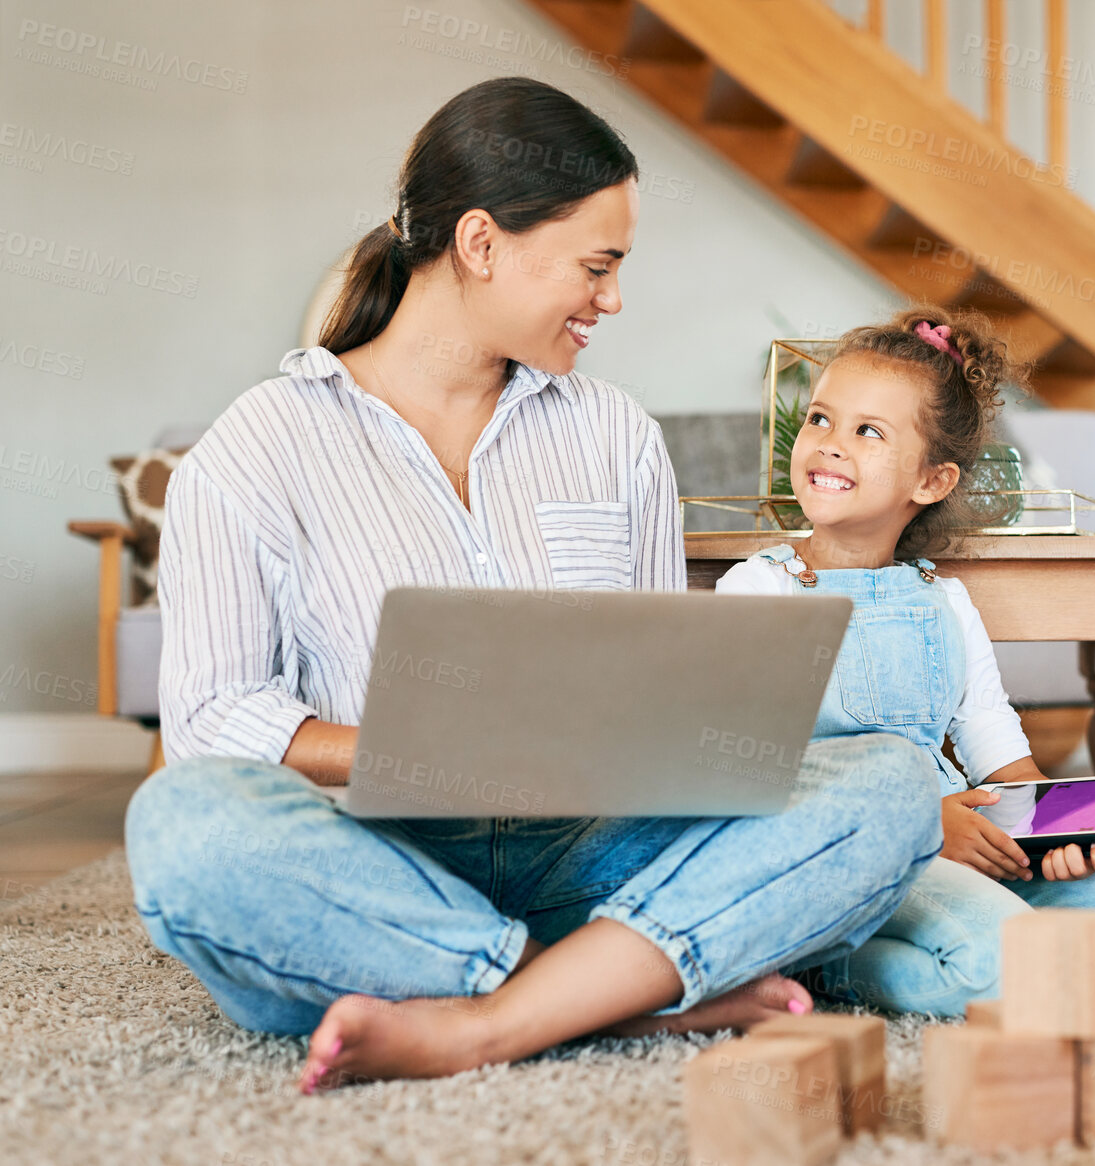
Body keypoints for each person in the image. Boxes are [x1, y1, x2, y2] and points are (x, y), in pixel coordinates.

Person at [123, 77, 943, 1093]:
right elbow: (213, 719)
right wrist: (426, 752)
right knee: (184, 827)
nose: (611, 300)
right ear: (479, 244)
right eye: (596, 266)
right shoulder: (259, 447)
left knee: (893, 784)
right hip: (384, 869)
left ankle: (483, 1016)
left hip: (598, 855)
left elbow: (658, 681)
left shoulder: (612, 433)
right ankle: (618, 990)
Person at [714, 306, 1095, 1017]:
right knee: (1010, 962)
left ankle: (1014, 965)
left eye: (867, 431)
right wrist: (927, 824)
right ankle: (823, 960)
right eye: (820, 420)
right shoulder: (757, 588)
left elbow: (999, 752)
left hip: (973, 833)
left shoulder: (943, 601)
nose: (828, 445)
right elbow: (751, 764)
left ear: (931, 481)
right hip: (854, 848)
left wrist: (1055, 834)